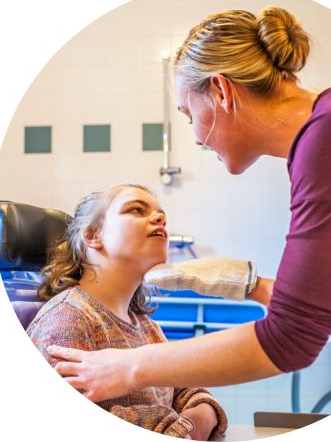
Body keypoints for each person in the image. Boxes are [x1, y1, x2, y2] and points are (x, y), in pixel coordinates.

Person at [47, 7, 331, 403]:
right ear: (91, 237)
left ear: (221, 92)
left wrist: (128, 367)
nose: (196, 139)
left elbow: (291, 338)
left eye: (190, 115)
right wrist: (249, 285)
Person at [26, 181, 228, 440]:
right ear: (92, 236)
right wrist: (178, 424)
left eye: (161, 215)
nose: (160, 219)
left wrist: (199, 415)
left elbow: (189, 393)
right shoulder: (67, 320)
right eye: (136, 210)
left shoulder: (146, 327)